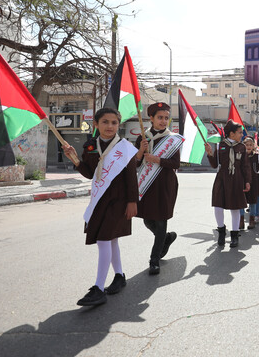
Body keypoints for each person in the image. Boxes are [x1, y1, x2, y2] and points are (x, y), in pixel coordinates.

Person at [63, 108, 138, 307]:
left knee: (104, 239)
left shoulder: (125, 147)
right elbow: (90, 173)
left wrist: (132, 201)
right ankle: (119, 276)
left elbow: (131, 176)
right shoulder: (90, 146)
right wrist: (74, 158)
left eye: (114, 122)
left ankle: (98, 288)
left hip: (119, 201)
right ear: (96, 124)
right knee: (111, 239)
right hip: (100, 200)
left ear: (119, 125)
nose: (110, 126)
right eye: (105, 122)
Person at [134, 102, 180, 275]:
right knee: (147, 220)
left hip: (165, 184)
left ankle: (154, 260)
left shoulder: (172, 139)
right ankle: (166, 238)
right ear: (151, 118)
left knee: (161, 222)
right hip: (146, 184)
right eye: (160, 117)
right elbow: (135, 163)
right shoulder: (142, 138)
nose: (163, 121)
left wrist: (157, 160)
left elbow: (176, 163)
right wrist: (141, 150)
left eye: (166, 118)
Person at [205, 120, 251, 248]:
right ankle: (221, 230)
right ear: (232, 134)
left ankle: (234, 235)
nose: (242, 135)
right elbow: (214, 164)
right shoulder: (220, 146)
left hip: (237, 179)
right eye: (240, 132)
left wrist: (247, 181)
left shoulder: (241, 147)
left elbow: (245, 166)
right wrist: (209, 153)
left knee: (235, 208)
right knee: (218, 206)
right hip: (222, 178)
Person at [242, 136, 259, 230]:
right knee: (241, 202)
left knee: (252, 202)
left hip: (254, 182)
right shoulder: (240, 156)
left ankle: (252, 221)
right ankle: (240, 221)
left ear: (253, 146)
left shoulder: (257, 157)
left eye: (250, 145)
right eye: (246, 145)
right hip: (242, 182)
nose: (248, 146)